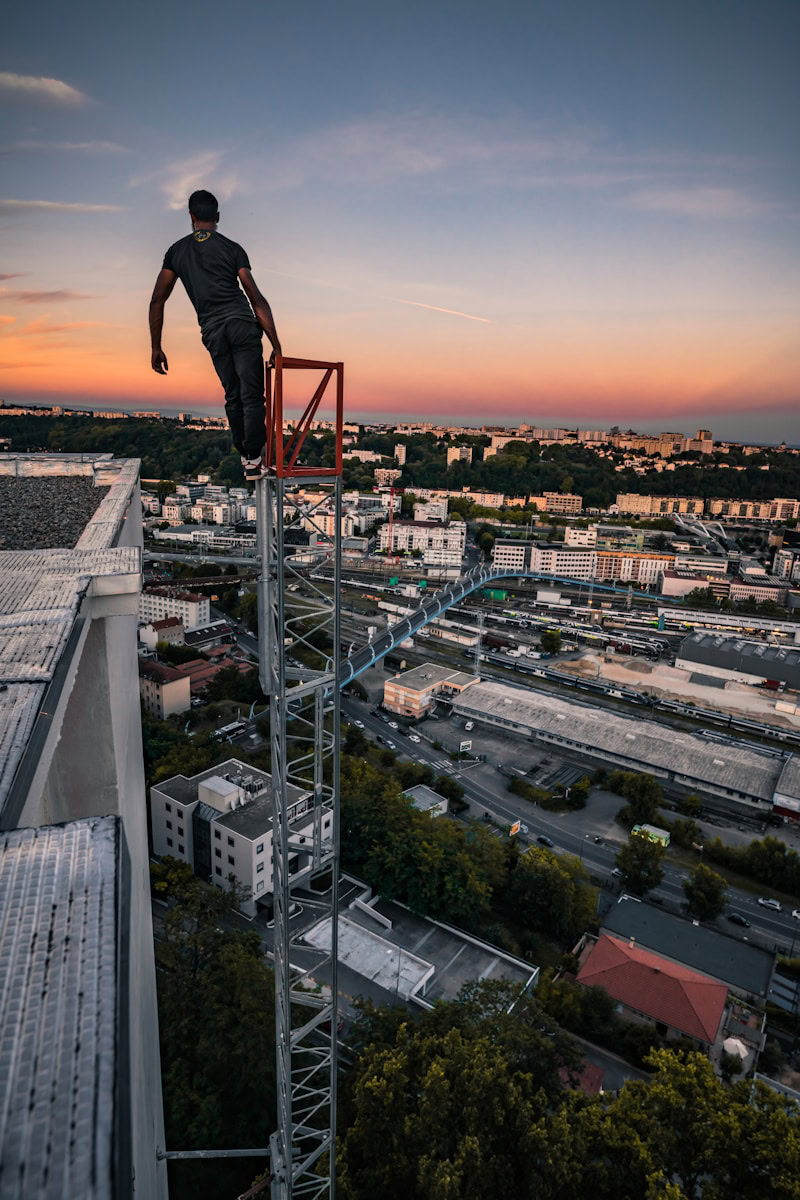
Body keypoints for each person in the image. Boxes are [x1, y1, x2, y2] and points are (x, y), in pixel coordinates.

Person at [148, 189, 281, 480]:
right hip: (242, 325)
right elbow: (255, 297)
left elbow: (158, 299)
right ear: (218, 217)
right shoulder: (233, 249)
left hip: (213, 331)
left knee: (233, 395)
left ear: (191, 216)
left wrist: (156, 347)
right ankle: (255, 458)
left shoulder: (176, 252)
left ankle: (246, 457)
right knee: (251, 395)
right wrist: (276, 345)